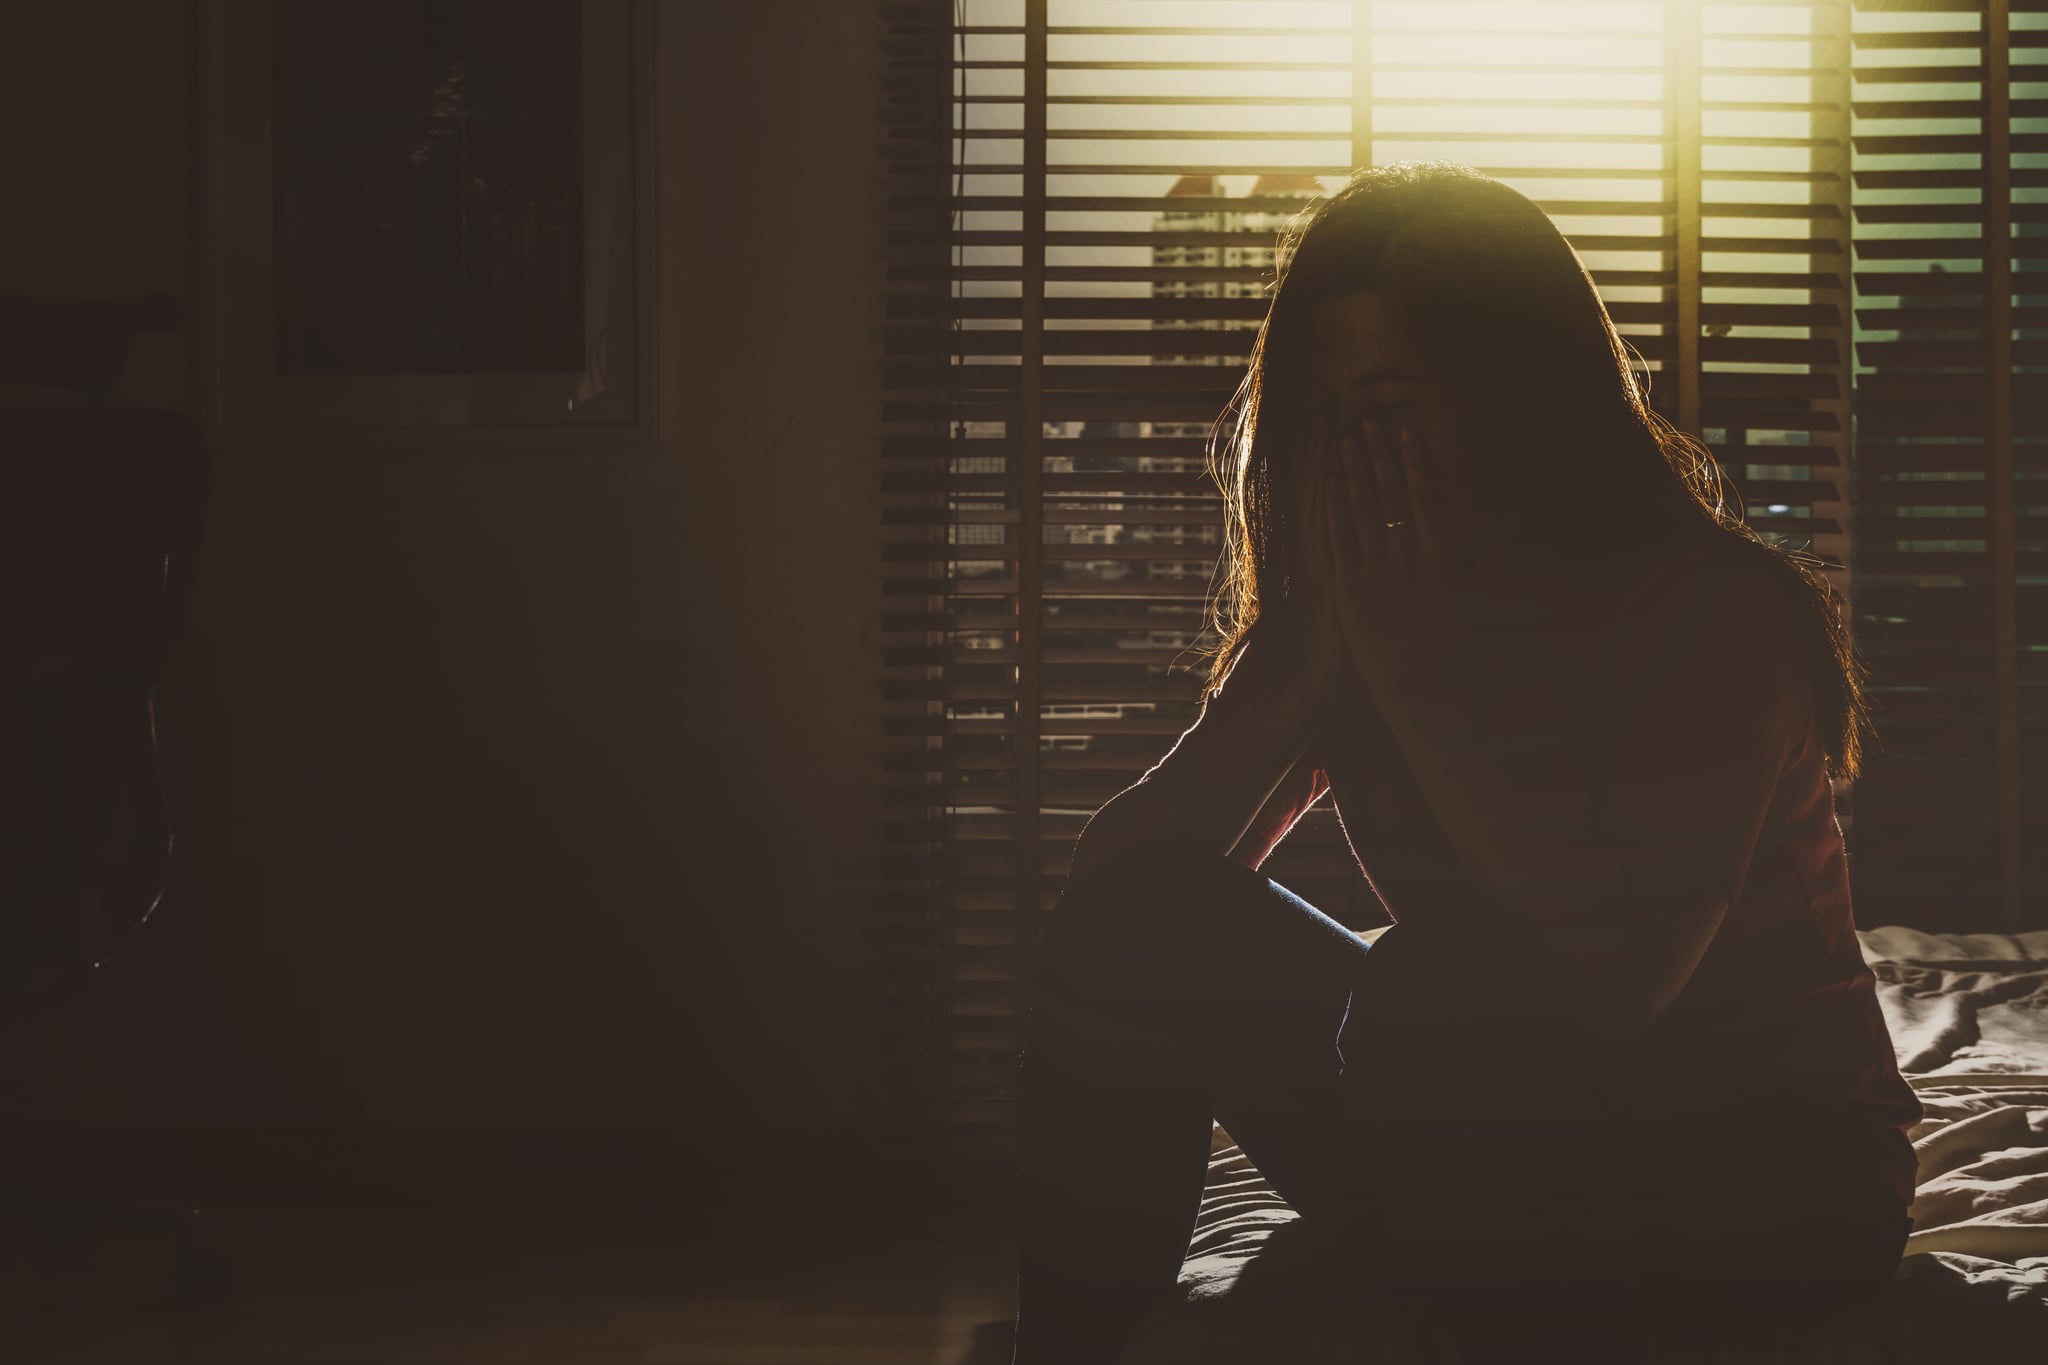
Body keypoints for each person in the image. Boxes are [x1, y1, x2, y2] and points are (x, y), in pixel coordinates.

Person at [1009, 161, 1923, 1365]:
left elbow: (1614, 979)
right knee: (1151, 924)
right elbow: (1113, 890)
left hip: (1763, 1179)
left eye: (1391, 403)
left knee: (1432, 997)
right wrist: (1302, 680)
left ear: (1515, 400)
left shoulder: (1709, 612)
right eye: (1322, 410)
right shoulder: (1362, 603)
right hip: (1495, 1121)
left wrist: (1413, 681)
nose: (1350, 451)